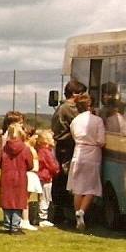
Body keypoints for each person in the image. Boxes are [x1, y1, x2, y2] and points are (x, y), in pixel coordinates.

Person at [51, 79, 87, 224]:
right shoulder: (69, 108)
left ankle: (60, 212)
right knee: (65, 180)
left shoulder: (62, 107)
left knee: (61, 180)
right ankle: (63, 214)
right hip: (67, 147)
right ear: (74, 93)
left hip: (63, 146)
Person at [67, 94, 105, 231]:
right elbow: (101, 141)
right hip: (93, 154)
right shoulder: (97, 120)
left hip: (78, 152)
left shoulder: (75, 121)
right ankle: (81, 211)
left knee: (77, 188)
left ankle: (77, 215)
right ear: (89, 105)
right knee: (91, 187)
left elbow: (73, 136)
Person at [0, 123, 33, 235]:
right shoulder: (25, 149)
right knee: (18, 201)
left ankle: (8, 224)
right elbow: (30, 165)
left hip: (6, 178)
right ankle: (15, 226)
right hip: (20, 178)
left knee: (7, 200)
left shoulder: (5, 149)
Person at [36, 130, 59, 227]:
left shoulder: (40, 151)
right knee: (45, 198)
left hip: (41, 177)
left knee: (42, 197)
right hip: (46, 177)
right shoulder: (46, 152)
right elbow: (52, 166)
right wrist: (57, 170)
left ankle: (41, 216)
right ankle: (43, 218)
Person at [21, 124, 41, 231]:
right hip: (29, 174)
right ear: (28, 136)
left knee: (25, 198)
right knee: (25, 199)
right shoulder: (27, 148)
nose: (36, 137)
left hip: (31, 174)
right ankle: (24, 220)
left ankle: (23, 220)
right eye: (34, 135)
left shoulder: (30, 148)